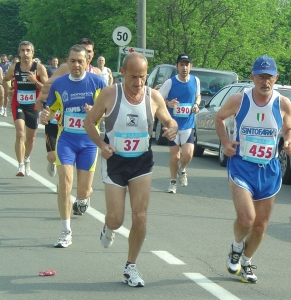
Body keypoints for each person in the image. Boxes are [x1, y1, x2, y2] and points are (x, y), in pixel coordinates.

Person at [84, 52, 178, 287]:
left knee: (140, 216)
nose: (138, 83)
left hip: (141, 162)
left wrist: (172, 129)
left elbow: (170, 121)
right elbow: (89, 122)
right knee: (116, 219)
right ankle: (109, 227)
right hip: (115, 161)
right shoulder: (110, 94)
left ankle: (131, 267)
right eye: (133, 77)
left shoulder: (153, 96)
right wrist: (101, 145)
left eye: (143, 77)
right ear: (123, 73)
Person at [214, 56, 291, 284]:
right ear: (253, 77)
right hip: (241, 165)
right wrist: (226, 142)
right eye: (261, 76)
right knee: (247, 218)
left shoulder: (283, 104)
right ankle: (236, 247)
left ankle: (246, 261)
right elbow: (219, 118)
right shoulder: (239, 100)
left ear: (276, 78)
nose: (265, 81)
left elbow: (289, 129)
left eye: (269, 77)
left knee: (260, 225)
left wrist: (289, 142)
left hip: (268, 168)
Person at [39, 44, 106, 248]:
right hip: (66, 139)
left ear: (87, 62)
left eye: (80, 61)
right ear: (66, 62)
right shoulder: (59, 84)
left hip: (88, 142)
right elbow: (52, 110)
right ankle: (65, 231)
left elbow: (107, 112)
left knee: (84, 190)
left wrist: (94, 112)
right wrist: (45, 115)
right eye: (73, 60)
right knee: (65, 182)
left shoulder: (98, 82)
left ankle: (84, 198)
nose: (76, 64)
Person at [2, 41, 48, 176]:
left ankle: (27, 159)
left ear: (32, 53)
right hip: (18, 104)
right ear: (19, 52)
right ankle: (20, 165)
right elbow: (5, 80)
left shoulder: (39, 68)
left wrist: (35, 81)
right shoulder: (14, 67)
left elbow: (47, 88)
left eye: (28, 50)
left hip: (33, 106)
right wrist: (8, 89)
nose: (25, 53)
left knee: (31, 138)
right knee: (20, 133)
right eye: (22, 50)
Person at [157, 53, 201, 194]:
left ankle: (182, 169)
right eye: (181, 64)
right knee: (175, 156)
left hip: (188, 124)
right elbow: (157, 100)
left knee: (188, 154)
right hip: (173, 126)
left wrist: (196, 105)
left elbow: (198, 96)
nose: (184, 67)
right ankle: (173, 182)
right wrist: (167, 103)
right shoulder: (170, 82)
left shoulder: (196, 81)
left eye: (187, 64)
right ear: (177, 66)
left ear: (190, 66)